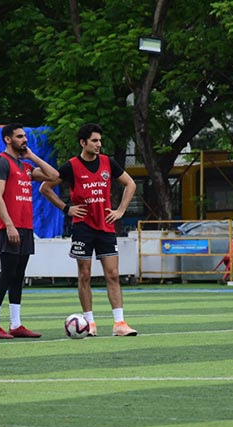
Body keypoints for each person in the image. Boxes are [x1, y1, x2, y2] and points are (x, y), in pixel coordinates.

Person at [39, 123, 138, 336]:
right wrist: (67, 208)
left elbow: (130, 184)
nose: (99, 144)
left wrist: (120, 211)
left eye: (100, 140)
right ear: (83, 143)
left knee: (112, 274)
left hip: (105, 227)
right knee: (84, 275)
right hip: (82, 228)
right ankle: (90, 324)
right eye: (94, 140)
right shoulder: (71, 166)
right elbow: (45, 188)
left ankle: (120, 324)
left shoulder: (107, 163)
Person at [0, 123, 59, 339]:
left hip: (25, 227)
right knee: (7, 274)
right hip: (11, 227)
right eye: (19, 136)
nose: (24, 139)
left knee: (18, 277)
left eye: (25, 136)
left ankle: (15, 324)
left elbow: (53, 176)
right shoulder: (1, 162)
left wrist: (32, 157)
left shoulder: (25, 167)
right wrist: (8, 225)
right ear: (8, 139)